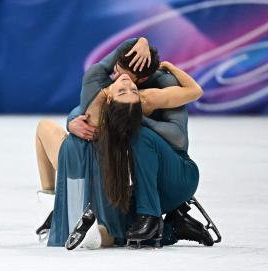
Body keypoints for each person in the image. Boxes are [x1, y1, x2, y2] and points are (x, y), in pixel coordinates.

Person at [34, 37, 213, 248]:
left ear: (142, 81)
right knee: (62, 136)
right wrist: (72, 122)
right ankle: (54, 203)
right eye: (117, 70)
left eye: (129, 81)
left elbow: (179, 139)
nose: (121, 78)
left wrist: (140, 121)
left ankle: (159, 223)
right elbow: (83, 111)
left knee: (137, 141)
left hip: (173, 172)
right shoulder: (104, 84)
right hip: (121, 168)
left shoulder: (157, 92)